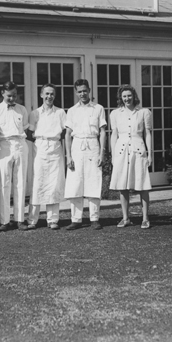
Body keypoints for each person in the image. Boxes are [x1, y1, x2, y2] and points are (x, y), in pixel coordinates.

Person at [64, 79, 107, 230]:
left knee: (93, 180)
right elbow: (68, 134)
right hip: (77, 146)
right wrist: (68, 156)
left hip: (93, 145)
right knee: (76, 182)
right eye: (79, 91)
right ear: (76, 92)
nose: (82, 94)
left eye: (85, 90)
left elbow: (102, 132)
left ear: (89, 90)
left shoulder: (98, 108)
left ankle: (94, 218)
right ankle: (76, 219)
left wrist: (102, 153)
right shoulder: (72, 110)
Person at [108, 84, 153, 229]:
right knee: (123, 186)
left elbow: (147, 134)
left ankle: (145, 218)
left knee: (142, 185)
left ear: (134, 96)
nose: (127, 99)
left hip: (138, 149)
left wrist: (150, 154)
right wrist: (113, 155)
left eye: (129, 96)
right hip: (121, 150)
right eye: (124, 96)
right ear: (121, 98)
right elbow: (114, 134)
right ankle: (125, 217)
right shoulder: (115, 114)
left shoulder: (144, 112)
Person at [26, 84, 67, 230]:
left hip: (55, 148)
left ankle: (52, 219)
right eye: (47, 94)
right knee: (38, 182)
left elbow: (65, 133)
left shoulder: (61, 112)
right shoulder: (35, 113)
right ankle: (32, 219)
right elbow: (30, 134)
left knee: (54, 183)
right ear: (41, 95)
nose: (49, 97)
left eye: (52, 94)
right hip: (40, 148)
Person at [0, 81, 30, 232]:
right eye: (9, 96)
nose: (12, 98)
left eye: (14, 95)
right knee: (4, 183)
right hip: (4, 145)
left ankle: (20, 219)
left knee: (20, 182)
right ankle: (4, 220)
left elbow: (27, 129)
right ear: (2, 93)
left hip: (20, 144)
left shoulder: (22, 109)